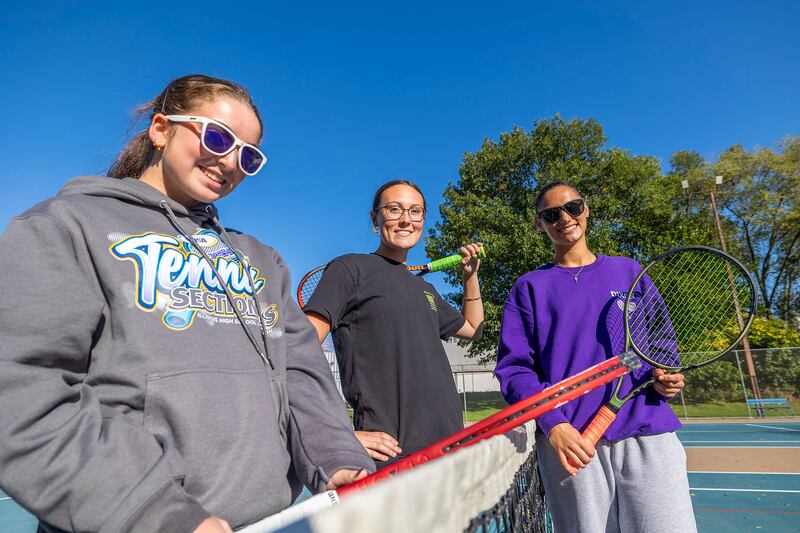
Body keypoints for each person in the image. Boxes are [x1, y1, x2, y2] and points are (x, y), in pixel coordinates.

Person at [0, 74, 374, 533]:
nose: (231, 161)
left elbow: (299, 370)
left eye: (248, 155)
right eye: (218, 137)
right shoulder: (65, 226)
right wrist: (157, 513)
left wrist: (338, 460)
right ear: (161, 129)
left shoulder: (261, 260)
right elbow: (22, 391)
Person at [494, 182, 697, 532]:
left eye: (573, 207)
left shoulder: (629, 271)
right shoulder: (528, 287)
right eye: (551, 214)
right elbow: (515, 370)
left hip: (647, 430)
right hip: (571, 445)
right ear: (539, 224)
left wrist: (668, 374)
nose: (565, 218)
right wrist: (553, 424)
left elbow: (662, 342)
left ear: (586, 209)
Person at [302, 179, 484, 465]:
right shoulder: (350, 269)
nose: (405, 220)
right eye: (394, 209)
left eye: (415, 211)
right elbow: (300, 349)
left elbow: (473, 329)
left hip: (449, 449)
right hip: (391, 458)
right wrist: (335, 427)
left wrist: (470, 278)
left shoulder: (426, 290)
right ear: (375, 218)